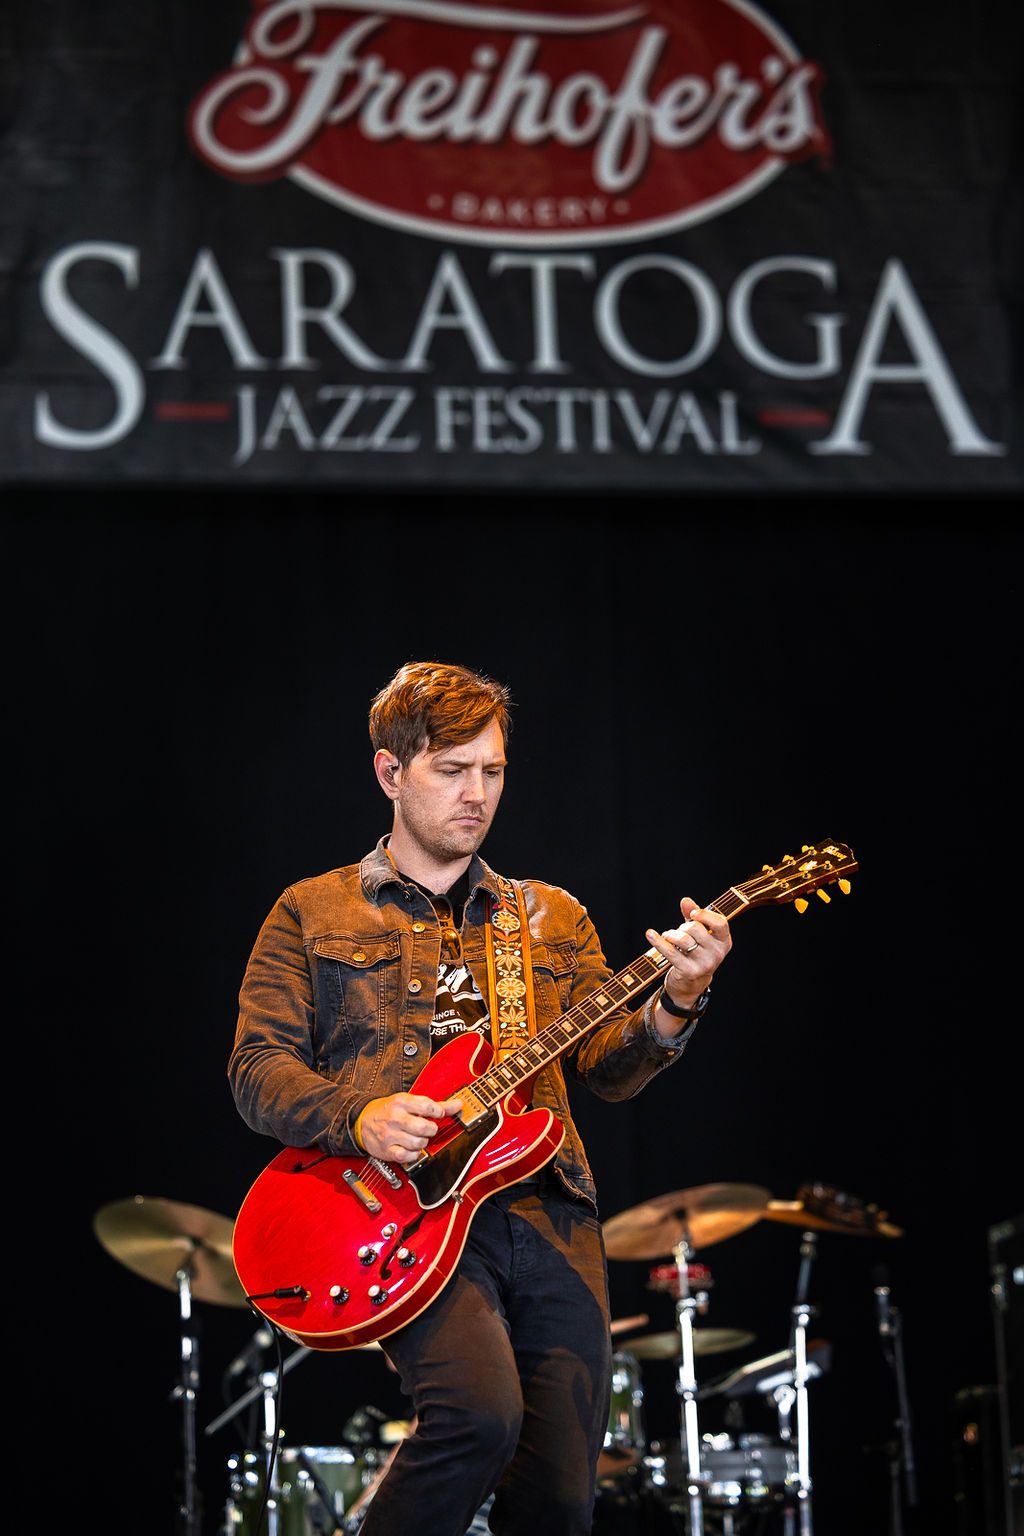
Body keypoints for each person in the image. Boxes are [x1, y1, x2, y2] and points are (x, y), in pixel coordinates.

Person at [228, 660, 734, 1536]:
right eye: (453, 770)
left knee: (561, 1496)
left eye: (493, 771)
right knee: (477, 1416)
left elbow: (608, 1071)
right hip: (411, 1210)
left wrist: (677, 1002)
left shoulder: (550, 917)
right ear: (391, 772)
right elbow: (257, 1067)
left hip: (547, 1207)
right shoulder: (312, 911)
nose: (478, 794)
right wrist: (358, 1118)